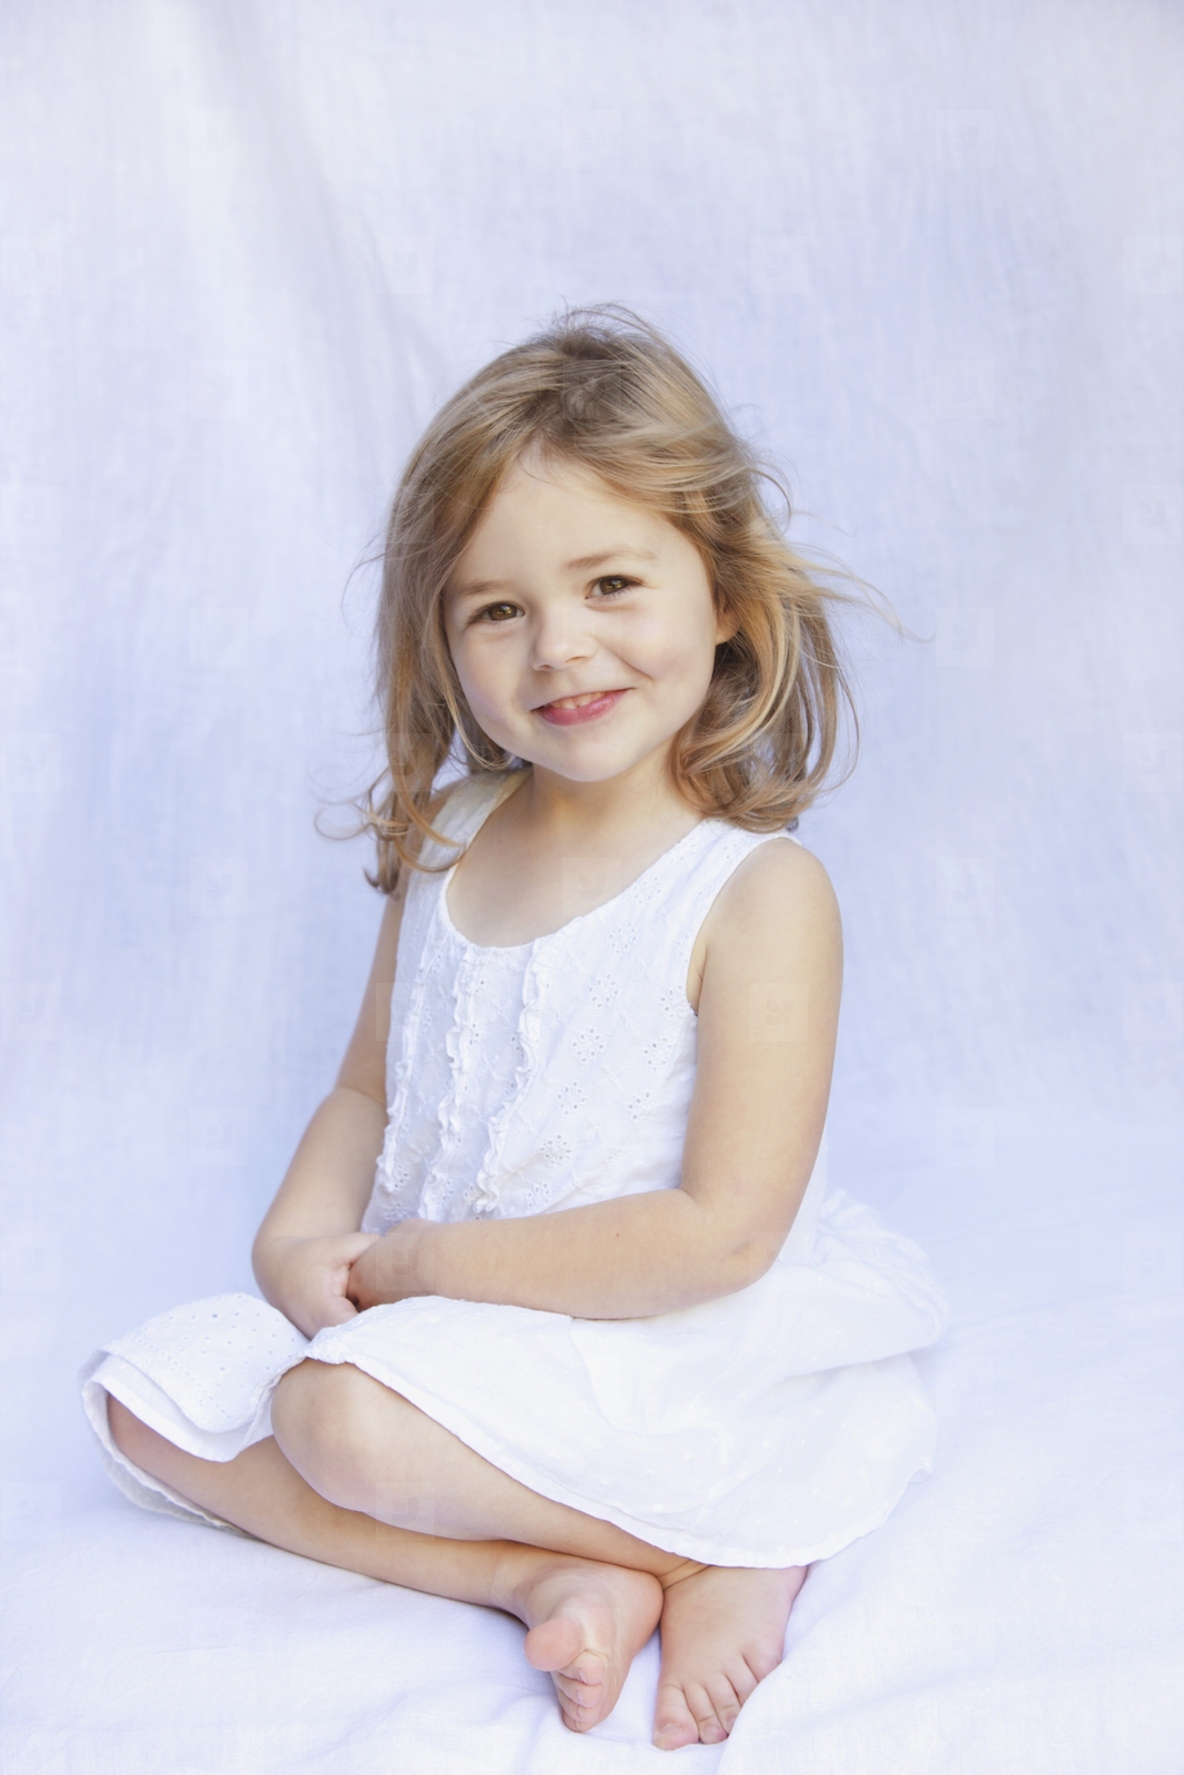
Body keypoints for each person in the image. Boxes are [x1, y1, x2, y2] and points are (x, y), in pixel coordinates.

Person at [81, 308, 948, 1751]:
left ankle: (716, 1545)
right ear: (445, 638)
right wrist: (295, 1243)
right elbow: (366, 1088)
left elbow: (721, 1233)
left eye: (612, 582)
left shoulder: (756, 895)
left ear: (726, 594)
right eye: (498, 609)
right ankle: (546, 1568)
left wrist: (427, 1267)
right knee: (140, 1407)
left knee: (330, 1426)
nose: (561, 648)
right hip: (435, 1332)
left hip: (648, 1339)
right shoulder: (449, 835)